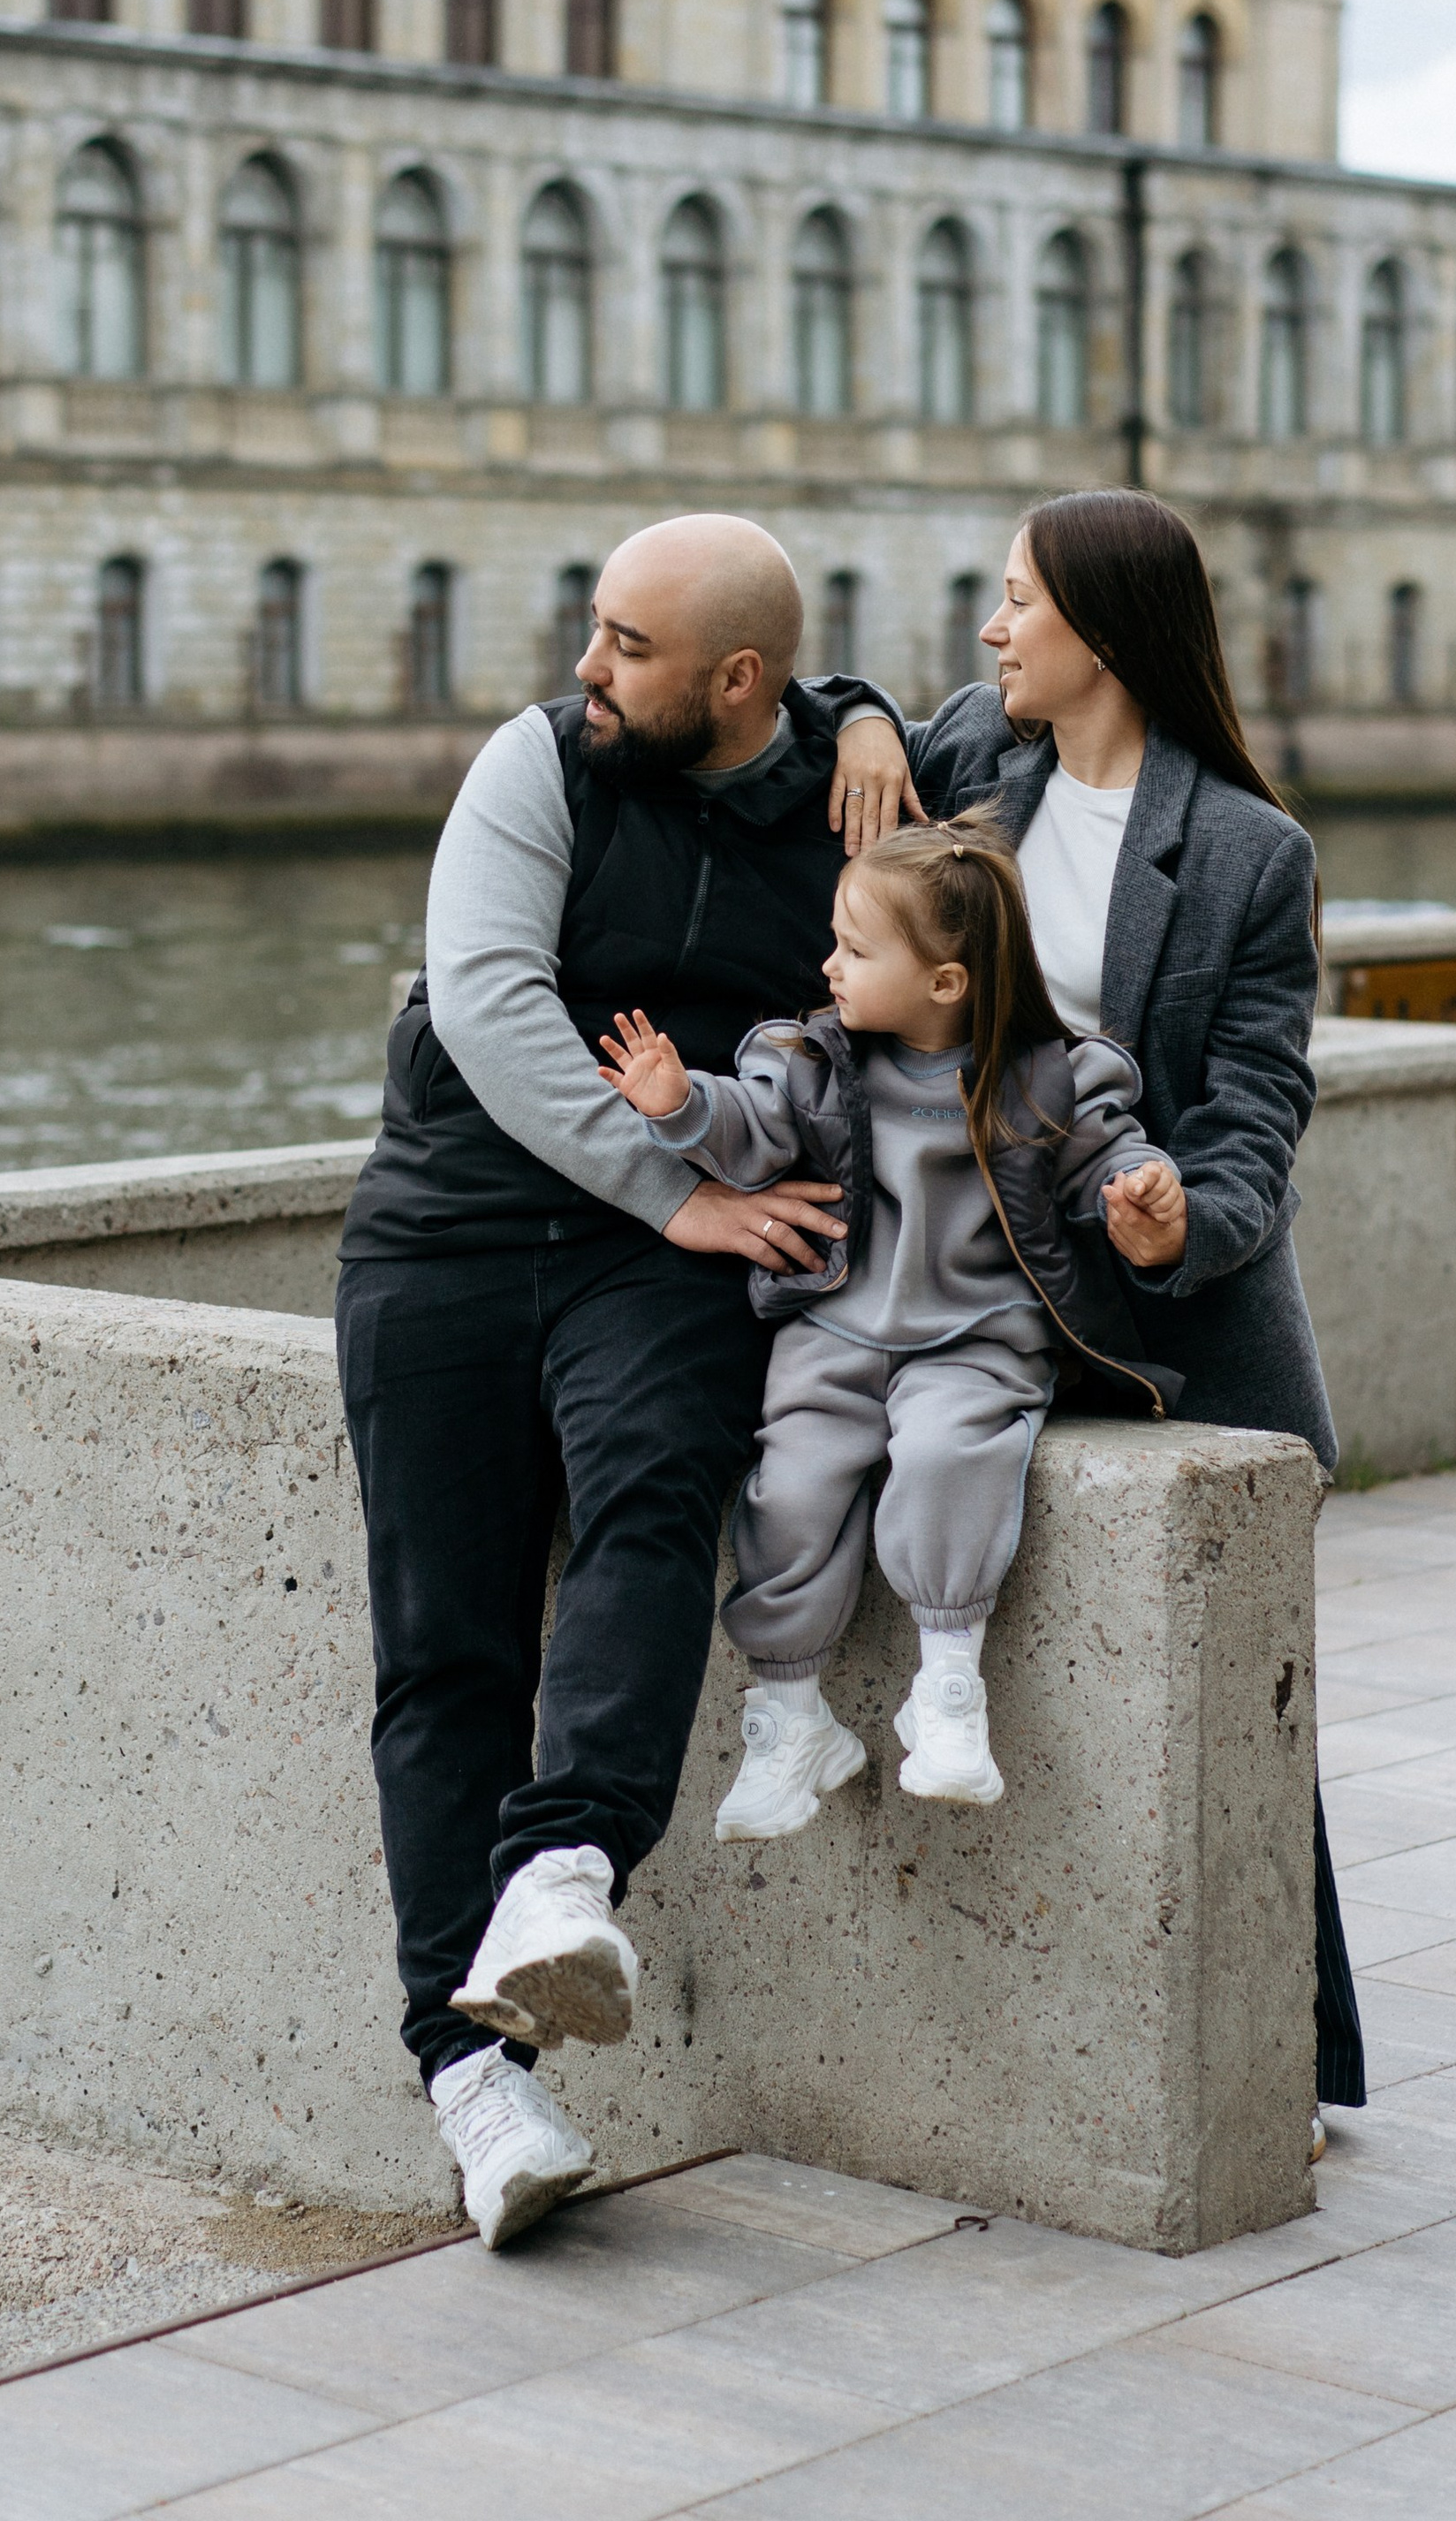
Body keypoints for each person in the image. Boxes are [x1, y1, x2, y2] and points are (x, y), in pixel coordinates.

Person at [333, 514, 898, 2250]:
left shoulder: (846, 798)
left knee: (657, 1489)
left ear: (738, 683)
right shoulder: (536, 766)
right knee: (446, 1653)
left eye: (624, 645)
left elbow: (985, 749)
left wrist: (867, 712)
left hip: (645, 1261)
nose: (586, 667)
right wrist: (680, 1188)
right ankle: (471, 2081)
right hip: (449, 1231)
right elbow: (493, 1009)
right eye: (590, 628)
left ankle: (569, 1870)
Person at [831, 488, 1368, 2138]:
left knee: (1237, 1730)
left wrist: (1180, 1218)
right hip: (968, 1309)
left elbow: (1263, 1108)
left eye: (1016, 605)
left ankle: (1286, 2059)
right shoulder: (972, 761)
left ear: (1104, 634)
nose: (992, 635)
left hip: (1169, 1338)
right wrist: (855, 715)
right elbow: (802, 717)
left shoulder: (1249, 855)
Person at [595, 810, 1186, 1834]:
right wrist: (681, 1102)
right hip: (834, 1331)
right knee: (791, 1485)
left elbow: (1112, 1158)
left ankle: (949, 1685)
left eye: (856, 950)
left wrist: (1146, 1189)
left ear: (946, 983)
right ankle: (789, 1714)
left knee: (956, 1455)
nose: (828, 966)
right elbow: (749, 1128)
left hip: (978, 1335)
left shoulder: (1047, 1077)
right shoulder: (817, 1064)